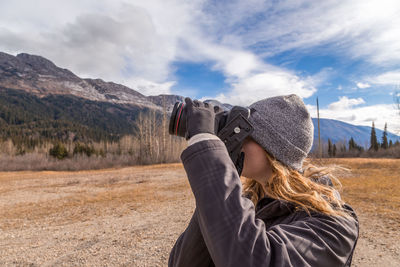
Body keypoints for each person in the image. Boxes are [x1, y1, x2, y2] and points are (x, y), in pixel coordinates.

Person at [168, 94, 359, 267]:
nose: (235, 141)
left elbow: (255, 260)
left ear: (273, 149)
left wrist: (205, 142)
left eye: (243, 133)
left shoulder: (334, 223)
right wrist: (217, 188)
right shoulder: (247, 203)